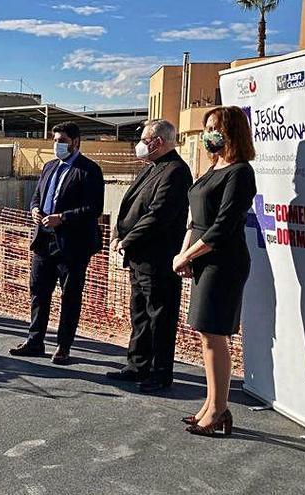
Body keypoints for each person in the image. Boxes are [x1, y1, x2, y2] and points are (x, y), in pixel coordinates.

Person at [172, 106, 257, 436]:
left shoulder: (240, 172)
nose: (208, 133)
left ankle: (219, 410)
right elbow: (195, 219)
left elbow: (222, 227)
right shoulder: (211, 169)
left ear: (232, 131)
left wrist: (187, 255)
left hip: (224, 262)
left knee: (214, 335)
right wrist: (184, 253)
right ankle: (210, 405)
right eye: (207, 127)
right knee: (206, 334)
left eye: (214, 128)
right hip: (203, 259)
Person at [9, 122, 104, 365]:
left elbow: (93, 208)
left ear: (76, 142)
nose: (56, 145)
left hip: (72, 245)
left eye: (61, 140)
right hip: (43, 241)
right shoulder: (49, 167)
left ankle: (63, 346)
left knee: (70, 297)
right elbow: (37, 197)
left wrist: (62, 218)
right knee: (39, 292)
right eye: (54, 140)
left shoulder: (89, 170)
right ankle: (35, 340)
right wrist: (34, 210)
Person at [108, 119, 192, 392]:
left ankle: (160, 372)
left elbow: (158, 215)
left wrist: (128, 240)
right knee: (140, 313)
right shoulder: (152, 168)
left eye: (145, 139)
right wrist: (120, 237)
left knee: (160, 317)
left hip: (158, 258)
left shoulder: (176, 171)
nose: (140, 144)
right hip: (139, 258)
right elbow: (133, 208)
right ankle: (137, 365)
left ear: (159, 141)